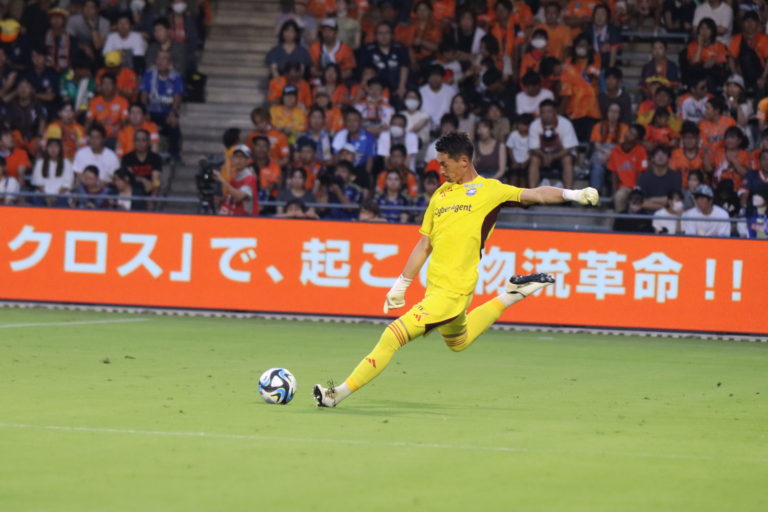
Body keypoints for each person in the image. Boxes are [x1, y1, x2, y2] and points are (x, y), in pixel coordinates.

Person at [312, 132, 600, 408]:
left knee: (391, 336)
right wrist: (401, 284)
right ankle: (513, 294)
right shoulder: (441, 195)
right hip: (435, 289)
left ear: (463, 161)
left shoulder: (491, 191)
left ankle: (336, 394)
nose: (440, 170)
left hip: (453, 292)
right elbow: (424, 244)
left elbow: (536, 194)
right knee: (458, 342)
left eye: (444, 164)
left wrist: (573, 194)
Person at [140, 50, 183, 161]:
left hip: (166, 113)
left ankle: (174, 156)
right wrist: (145, 112)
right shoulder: (149, 74)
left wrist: (173, 113)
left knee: (174, 124)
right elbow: (144, 96)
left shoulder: (176, 77)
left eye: (164, 59)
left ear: (170, 63)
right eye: (158, 58)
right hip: (151, 112)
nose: (160, 61)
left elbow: (177, 97)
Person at [528, 99, 578, 189]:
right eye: (543, 112)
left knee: (567, 159)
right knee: (534, 159)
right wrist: (544, 156)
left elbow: (568, 148)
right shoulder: (534, 125)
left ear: (555, 112)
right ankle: (532, 192)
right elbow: (534, 148)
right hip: (542, 156)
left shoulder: (566, 124)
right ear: (540, 113)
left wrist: (554, 157)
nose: (546, 115)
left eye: (549, 112)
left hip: (561, 155)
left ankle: (568, 192)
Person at [358, 21, 410, 99]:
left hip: (397, 86)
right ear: (375, 36)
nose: (383, 36)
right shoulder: (368, 49)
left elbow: (404, 67)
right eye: (380, 33)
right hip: (376, 88)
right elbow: (365, 72)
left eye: (386, 33)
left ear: (392, 35)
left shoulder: (399, 48)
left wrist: (402, 87)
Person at [607, 124, 648, 213]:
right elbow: (614, 174)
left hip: (636, 187)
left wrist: (637, 189)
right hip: (623, 188)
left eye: (633, 134)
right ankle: (621, 219)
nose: (628, 135)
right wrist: (614, 192)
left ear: (637, 140)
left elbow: (642, 172)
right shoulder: (615, 150)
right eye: (629, 131)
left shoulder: (641, 151)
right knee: (619, 196)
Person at [589, 103, 628, 194]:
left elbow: (622, 145)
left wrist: (610, 154)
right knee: (597, 164)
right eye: (611, 111)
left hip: (618, 153)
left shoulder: (624, 127)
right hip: (601, 151)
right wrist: (606, 153)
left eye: (616, 112)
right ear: (607, 113)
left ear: (620, 114)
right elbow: (597, 144)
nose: (613, 114)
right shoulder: (598, 126)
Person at [216, 144, 258, 216]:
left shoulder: (250, 177)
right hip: (233, 217)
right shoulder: (234, 176)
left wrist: (222, 180)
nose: (239, 160)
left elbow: (239, 197)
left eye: (242, 157)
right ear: (232, 159)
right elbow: (231, 199)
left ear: (248, 160)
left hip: (246, 219)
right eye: (237, 156)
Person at [637, 146, 683, 211]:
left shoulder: (676, 176)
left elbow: (675, 200)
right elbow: (640, 202)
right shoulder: (643, 177)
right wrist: (665, 207)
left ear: (669, 158)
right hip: (647, 213)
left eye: (664, 154)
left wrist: (651, 199)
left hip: (669, 214)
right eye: (657, 154)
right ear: (652, 159)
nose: (660, 157)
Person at [31, 138, 74, 206]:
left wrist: (55, 198)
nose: (53, 149)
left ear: (60, 149)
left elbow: (67, 185)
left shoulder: (67, 163)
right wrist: (47, 197)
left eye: (56, 146)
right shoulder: (40, 163)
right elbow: (38, 184)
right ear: (46, 148)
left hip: (61, 196)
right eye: (50, 146)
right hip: (43, 195)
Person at [121, 129, 163, 196]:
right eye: (137, 140)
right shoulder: (127, 158)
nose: (140, 143)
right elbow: (128, 178)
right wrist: (143, 180)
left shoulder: (155, 158)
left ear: (149, 142)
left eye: (143, 140)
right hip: (132, 192)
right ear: (134, 142)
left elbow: (156, 180)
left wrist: (153, 197)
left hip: (150, 189)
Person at [418, 65, 456, 129]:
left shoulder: (451, 91)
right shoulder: (421, 91)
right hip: (424, 127)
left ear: (442, 77)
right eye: (432, 75)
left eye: (438, 76)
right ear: (428, 78)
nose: (435, 78)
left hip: (446, 127)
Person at [506, 114, 532, 188]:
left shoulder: (531, 136)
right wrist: (514, 161)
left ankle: (523, 194)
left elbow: (532, 152)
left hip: (527, 163)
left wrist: (526, 162)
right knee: (513, 177)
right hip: (514, 162)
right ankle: (511, 194)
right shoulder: (513, 134)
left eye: (523, 125)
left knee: (523, 179)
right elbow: (509, 149)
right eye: (520, 124)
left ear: (529, 126)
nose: (521, 126)